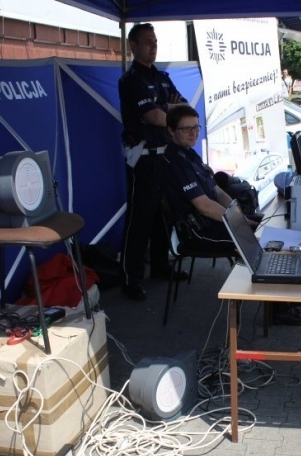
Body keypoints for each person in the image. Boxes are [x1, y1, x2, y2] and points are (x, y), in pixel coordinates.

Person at [162, 105, 301, 326]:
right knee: (265, 241)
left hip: (213, 222)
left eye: (196, 127)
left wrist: (240, 212)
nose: (193, 133)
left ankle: (282, 294)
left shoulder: (188, 154)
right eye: (186, 129)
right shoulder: (175, 162)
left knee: (266, 226)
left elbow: (215, 190)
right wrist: (239, 221)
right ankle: (278, 308)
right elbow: (204, 206)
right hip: (199, 232)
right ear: (171, 131)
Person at [118, 23, 188, 301]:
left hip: (166, 156)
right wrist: (166, 109)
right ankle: (130, 279)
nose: (153, 46)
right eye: (148, 42)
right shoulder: (131, 80)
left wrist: (166, 108)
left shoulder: (162, 77)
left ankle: (160, 267)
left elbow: (183, 111)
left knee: (164, 217)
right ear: (133, 47)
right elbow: (156, 118)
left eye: (155, 41)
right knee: (140, 219)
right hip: (143, 159)